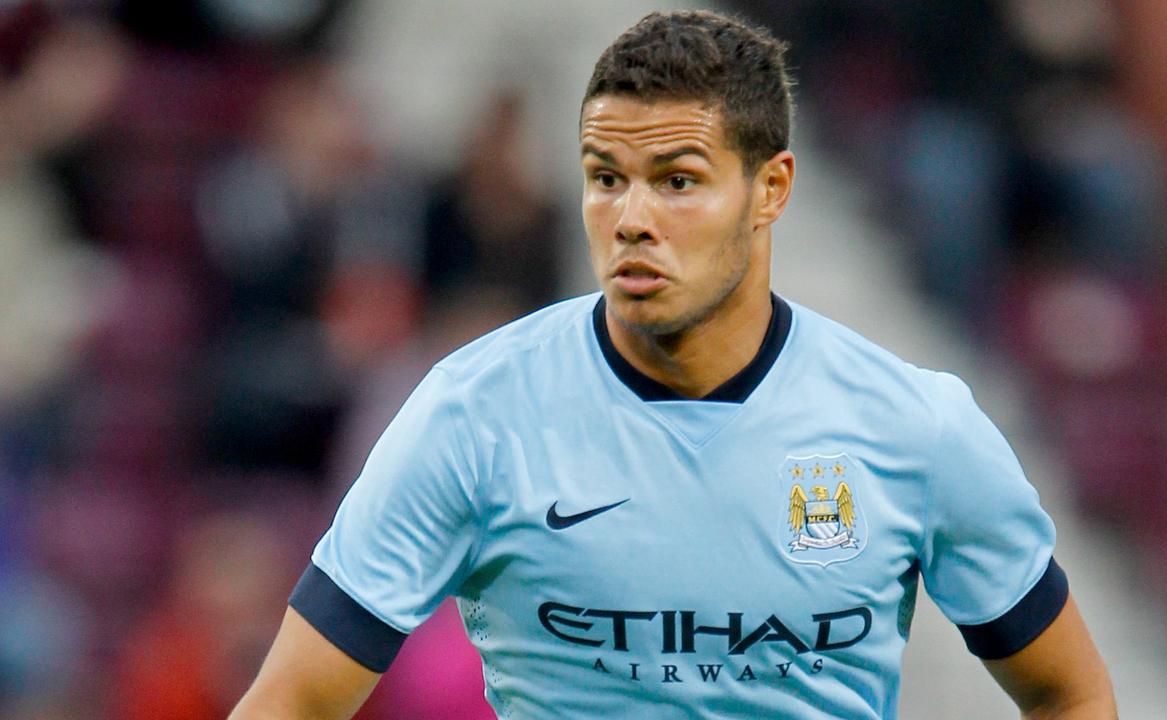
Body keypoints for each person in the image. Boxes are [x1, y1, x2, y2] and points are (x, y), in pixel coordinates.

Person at [231, 10, 1116, 719]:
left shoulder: (914, 427)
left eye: (678, 180)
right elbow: (293, 699)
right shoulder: (473, 412)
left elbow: (1068, 692)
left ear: (770, 188)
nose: (631, 217)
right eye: (605, 175)